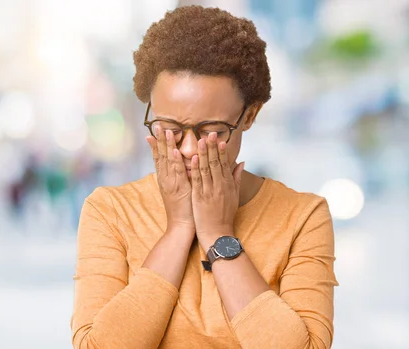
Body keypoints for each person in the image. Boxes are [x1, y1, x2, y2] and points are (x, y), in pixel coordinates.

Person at [70, 5, 338, 349]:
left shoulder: (302, 217)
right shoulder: (110, 211)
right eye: (169, 129)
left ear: (250, 115)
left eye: (211, 130)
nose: (188, 148)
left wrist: (218, 234)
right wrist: (180, 228)